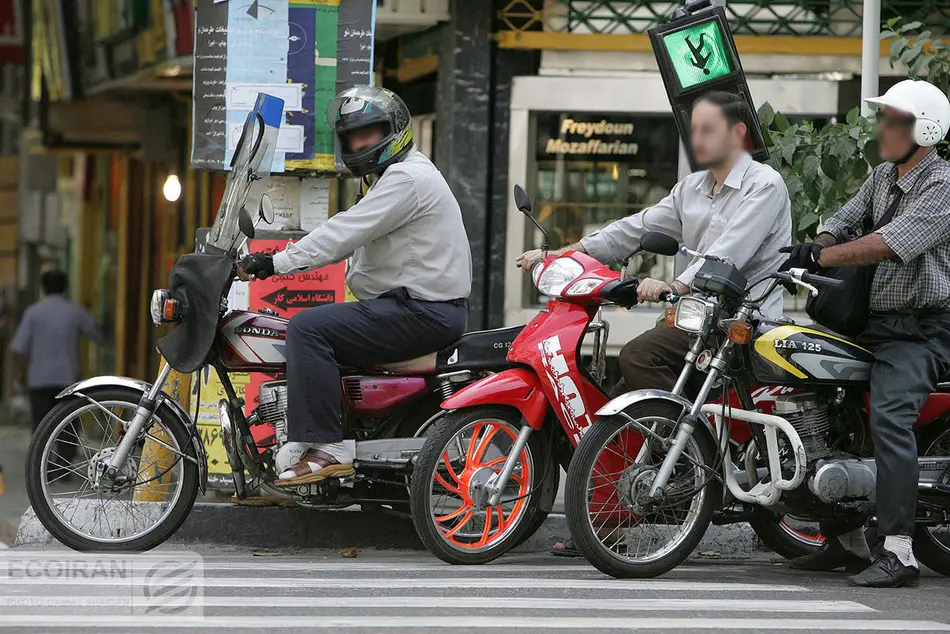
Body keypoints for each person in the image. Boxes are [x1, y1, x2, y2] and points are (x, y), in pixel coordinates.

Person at [518, 91, 792, 556]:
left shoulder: (763, 186)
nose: (697, 139)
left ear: (738, 134)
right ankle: (611, 517)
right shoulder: (692, 188)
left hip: (746, 320)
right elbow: (636, 227)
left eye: (708, 129)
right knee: (626, 387)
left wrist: (675, 286)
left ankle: (688, 459)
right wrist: (566, 254)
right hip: (698, 317)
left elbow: (729, 251)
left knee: (637, 356)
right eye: (694, 129)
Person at [238, 86, 472, 486]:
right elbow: (349, 232)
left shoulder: (407, 178)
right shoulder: (390, 178)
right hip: (413, 307)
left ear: (394, 130)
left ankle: (328, 447)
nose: (361, 143)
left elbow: (343, 233)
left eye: (369, 133)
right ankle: (304, 438)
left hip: (423, 312)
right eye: (353, 137)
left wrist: (274, 261)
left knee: (309, 329)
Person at [780, 79, 950, 588]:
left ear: (924, 128)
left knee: (891, 418)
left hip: (920, 331)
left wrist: (823, 255)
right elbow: (843, 220)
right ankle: (845, 539)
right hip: (871, 326)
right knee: (814, 394)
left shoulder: (942, 186)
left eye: (891, 120)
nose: (881, 128)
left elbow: (887, 244)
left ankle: (900, 552)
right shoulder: (881, 176)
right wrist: (817, 243)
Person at [11, 270, 102, 433]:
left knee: (40, 428)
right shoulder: (75, 312)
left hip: (39, 380)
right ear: (65, 287)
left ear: (43, 288)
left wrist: (20, 374)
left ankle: (40, 457)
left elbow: (19, 348)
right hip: (68, 380)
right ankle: (62, 459)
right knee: (67, 427)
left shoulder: (33, 313)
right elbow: (97, 334)